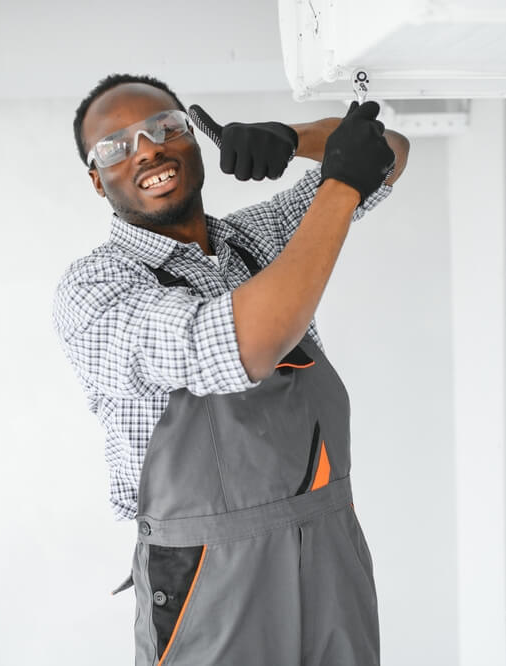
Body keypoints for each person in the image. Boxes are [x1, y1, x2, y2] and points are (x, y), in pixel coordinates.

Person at [52, 72, 409, 665]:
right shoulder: (96, 288)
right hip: (210, 576)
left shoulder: (253, 239)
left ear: (193, 140)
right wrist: (339, 185)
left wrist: (298, 139)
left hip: (328, 541)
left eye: (165, 127)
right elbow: (242, 342)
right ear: (97, 179)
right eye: (115, 146)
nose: (147, 148)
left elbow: (390, 153)